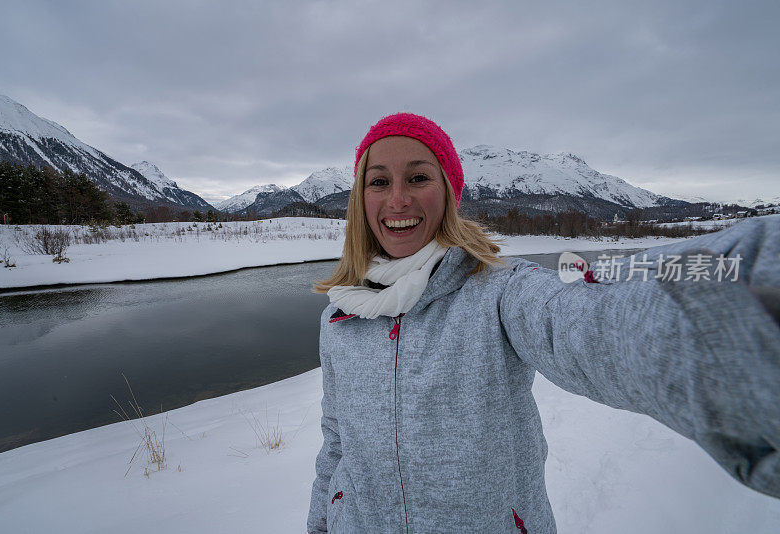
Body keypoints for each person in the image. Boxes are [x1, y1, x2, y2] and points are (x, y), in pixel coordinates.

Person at [306, 112, 780, 533]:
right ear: (359, 200)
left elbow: (585, 325)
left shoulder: (499, 291)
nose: (398, 199)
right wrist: (322, 523)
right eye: (379, 181)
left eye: (418, 177)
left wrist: (741, 316)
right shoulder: (341, 317)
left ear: (449, 194)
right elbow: (337, 443)